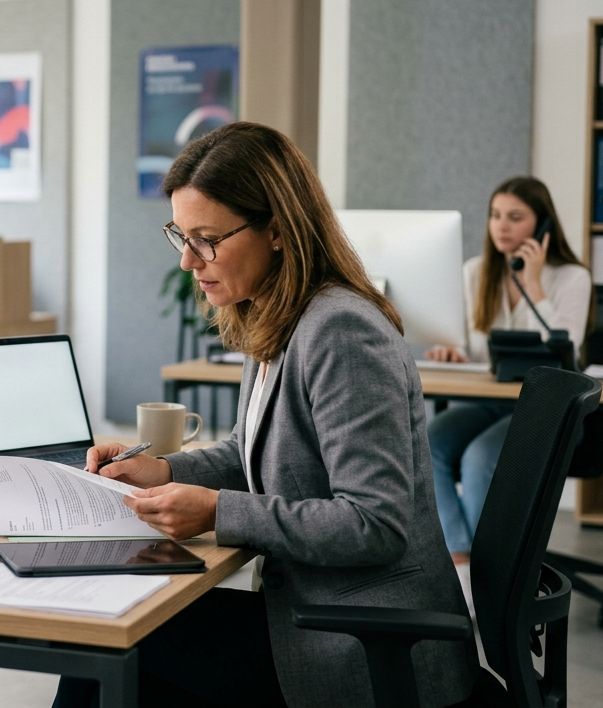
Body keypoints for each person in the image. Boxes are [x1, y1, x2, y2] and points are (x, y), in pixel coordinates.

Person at [54, 122, 475, 707]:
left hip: (363, 640)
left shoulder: (341, 331)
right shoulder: (276, 313)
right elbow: (249, 452)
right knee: (109, 642)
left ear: (276, 229)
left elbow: (373, 524)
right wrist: (164, 471)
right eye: (181, 237)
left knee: (109, 651)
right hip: (313, 606)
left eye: (207, 240)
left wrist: (217, 511)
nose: (188, 261)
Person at [425, 176, 593, 566]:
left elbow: (563, 346)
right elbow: (472, 348)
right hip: (492, 401)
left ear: (543, 224)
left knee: (478, 457)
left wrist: (534, 285)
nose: (502, 226)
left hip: (548, 410)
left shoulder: (572, 277)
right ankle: (461, 561)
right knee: (428, 443)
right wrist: (453, 352)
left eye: (515, 217)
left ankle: (493, 574)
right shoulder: (476, 272)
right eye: (496, 215)